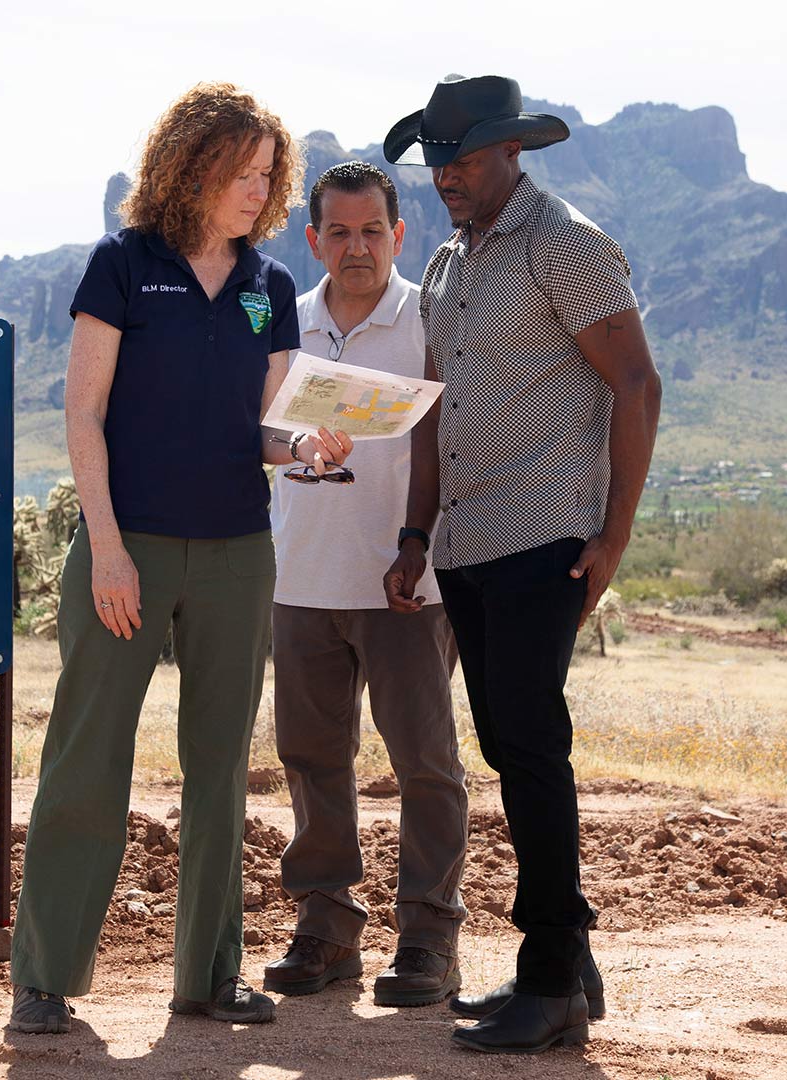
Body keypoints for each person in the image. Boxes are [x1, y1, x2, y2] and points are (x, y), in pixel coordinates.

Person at [7, 82, 350, 1033]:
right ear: (190, 168)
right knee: (88, 757)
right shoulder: (124, 264)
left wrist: (309, 453)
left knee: (220, 768)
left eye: (268, 175)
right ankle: (44, 978)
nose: (257, 189)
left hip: (240, 552)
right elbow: (82, 413)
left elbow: (268, 432)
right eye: (241, 172)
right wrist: (108, 552)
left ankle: (206, 975)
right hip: (131, 548)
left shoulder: (269, 288)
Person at [382, 74, 663, 1054]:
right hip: (467, 543)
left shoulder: (564, 247)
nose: (445, 175)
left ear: (511, 151)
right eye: (435, 160)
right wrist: (417, 537)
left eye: (460, 157)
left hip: (545, 534)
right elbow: (437, 412)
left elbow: (636, 382)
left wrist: (613, 535)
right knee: (508, 748)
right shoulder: (454, 265)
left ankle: (548, 982)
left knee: (532, 751)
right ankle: (569, 960)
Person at [259, 162, 469, 1007]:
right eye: (338, 232)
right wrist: (296, 445)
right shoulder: (284, 321)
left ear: (399, 235)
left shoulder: (430, 316)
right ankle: (325, 928)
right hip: (301, 573)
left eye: (372, 230)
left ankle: (427, 937)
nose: (356, 247)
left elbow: (449, 441)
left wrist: (420, 546)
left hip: (406, 583)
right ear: (313, 240)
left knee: (424, 762)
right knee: (311, 758)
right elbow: (261, 434)